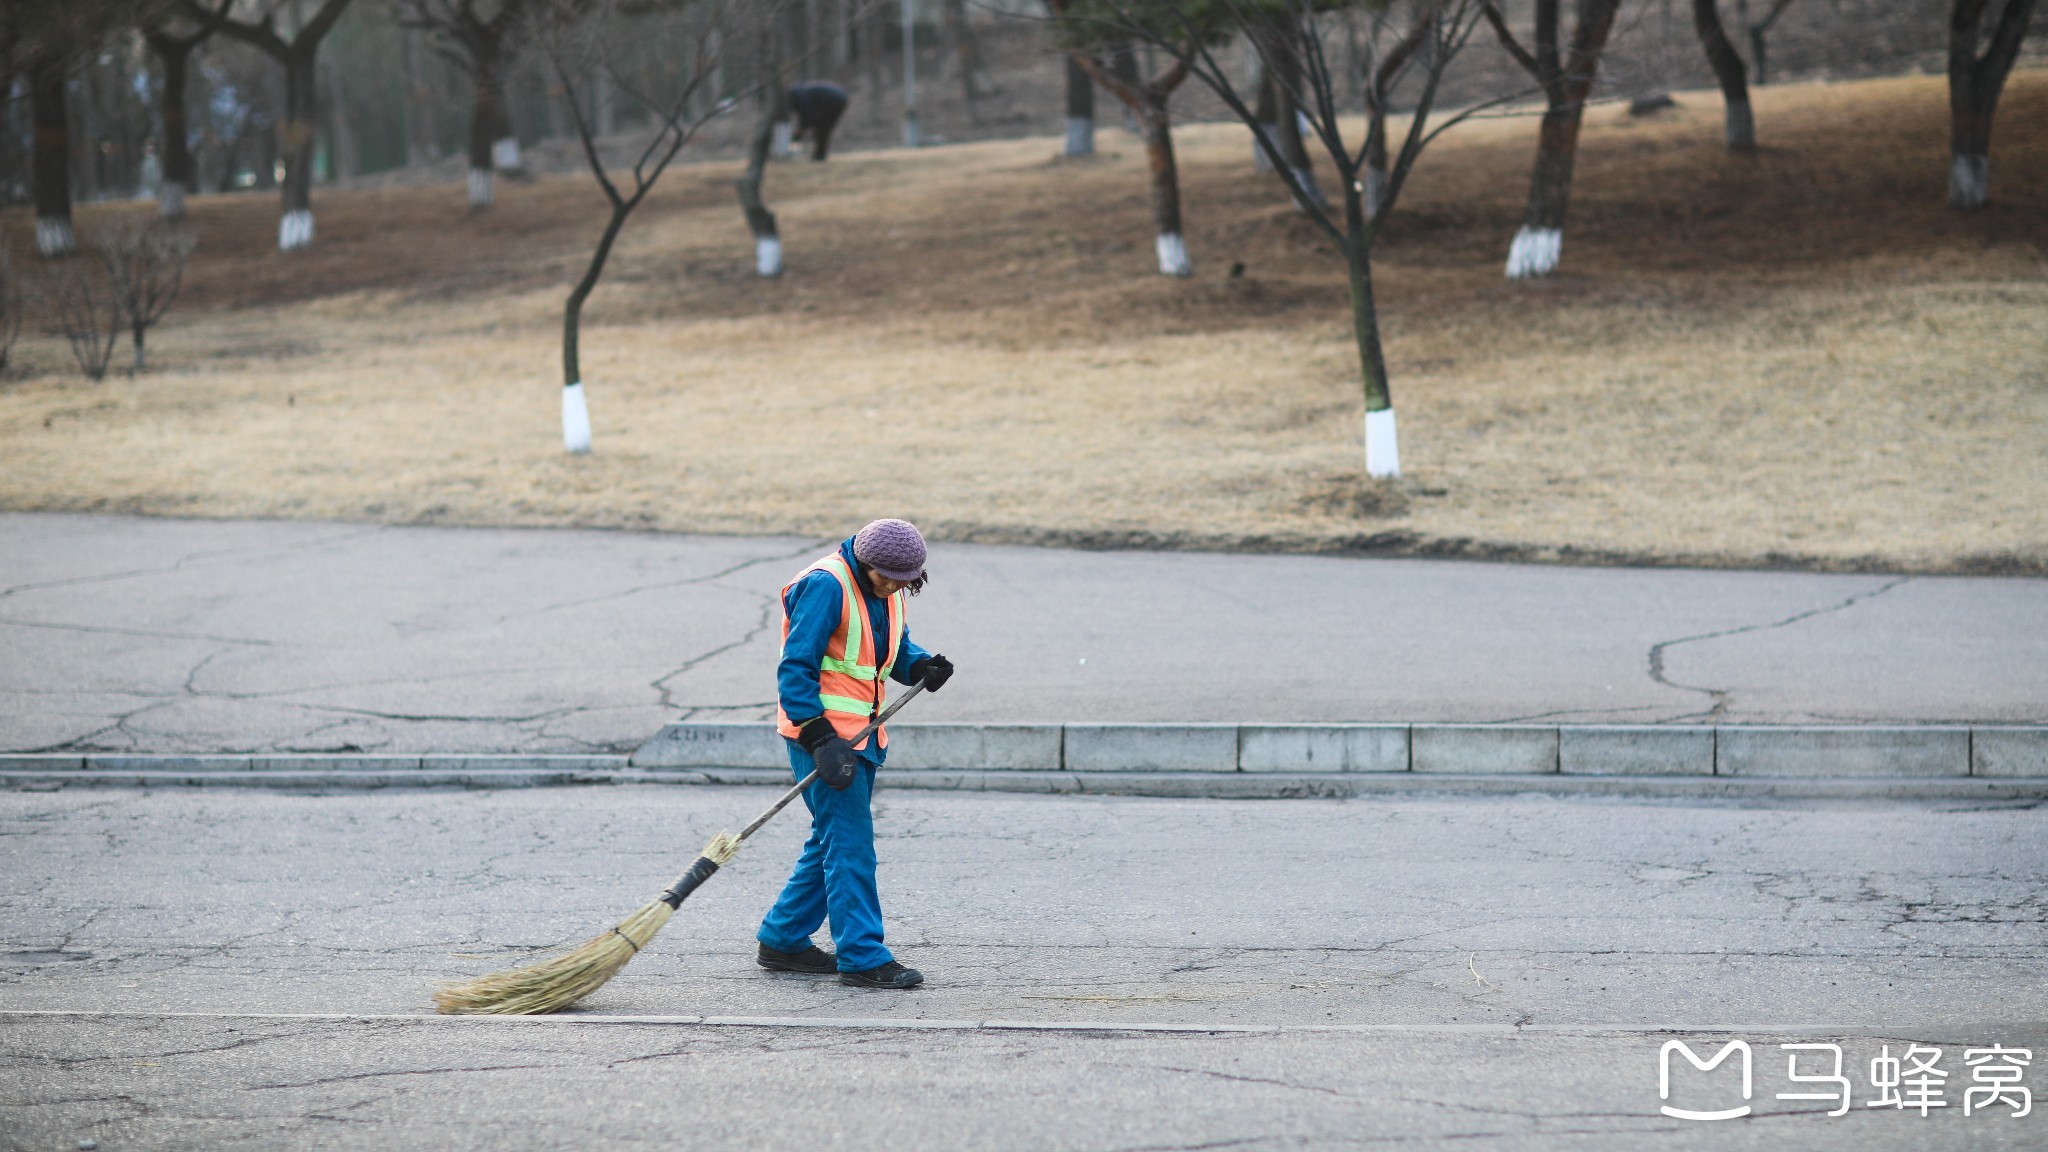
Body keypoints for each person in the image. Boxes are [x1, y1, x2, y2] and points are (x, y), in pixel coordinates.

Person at [757, 518, 954, 988]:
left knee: (831, 839)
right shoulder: (826, 586)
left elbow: (890, 647)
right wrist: (818, 736)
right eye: (886, 577)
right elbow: (796, 666)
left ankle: (783, 938)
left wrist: (920, 664)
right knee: (850, 847)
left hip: (860, 736)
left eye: (904, 581)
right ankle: (863, 956)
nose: (893, 587)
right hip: (824, 739)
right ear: (864, 562)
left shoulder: (889, 588)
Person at [788, 80, 849, 162]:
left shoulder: (799, 97)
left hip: (833, 100)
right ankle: (820, 155)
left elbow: (808, 115)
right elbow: (808, 116)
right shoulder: (801, 93)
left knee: (821, 130)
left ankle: (819, 155)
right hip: (841, 98)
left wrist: (799, 133)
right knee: (823, 130)